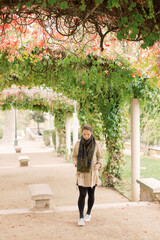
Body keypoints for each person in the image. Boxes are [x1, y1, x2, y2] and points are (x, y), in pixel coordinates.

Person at [72, 124, 103, 226]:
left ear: (91, 133)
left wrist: (98, 164)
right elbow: (74, 157)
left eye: (88, 134)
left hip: (92, 174)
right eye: (84, 134)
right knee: (82, 195)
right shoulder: (77, 144)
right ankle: (81, 216)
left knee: (91, 194)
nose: (86, 136)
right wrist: (76, 163)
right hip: (81, 174)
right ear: (82, 133)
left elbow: (100, 157)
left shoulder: (96, 144)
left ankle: (88, 213)